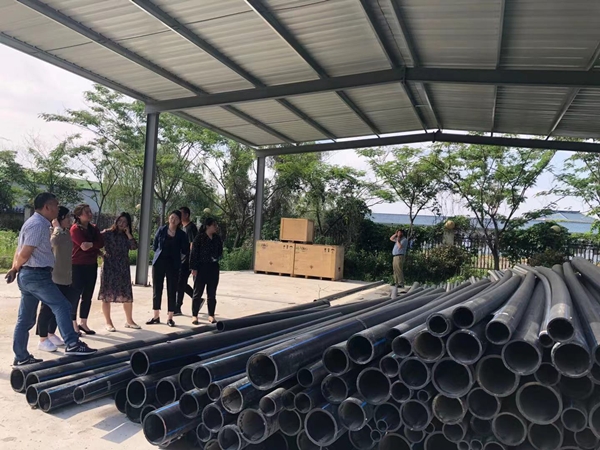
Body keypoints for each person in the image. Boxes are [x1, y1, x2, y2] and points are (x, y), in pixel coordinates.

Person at [5, 193, 97, 365]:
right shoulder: (38, 225)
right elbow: (25, 252)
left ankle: (21, 357)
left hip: (30, 275)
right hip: (36, 275)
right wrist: (15, 268)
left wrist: (15, 268)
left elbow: (19, 251)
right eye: (56, 205)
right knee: (62, 305)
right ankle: (72, 344)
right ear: (47, 207)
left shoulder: (34, 223)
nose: (58, 208)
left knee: (25, 319)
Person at [36, 206, 72, 352]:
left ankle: (51, 333)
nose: (70, 220)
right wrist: (56, 227)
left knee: (59, 308)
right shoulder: (52, 232)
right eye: (67, 217)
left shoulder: (67, 232)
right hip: (53, 276)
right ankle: (42, 338)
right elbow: (53, 243)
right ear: (59, 219)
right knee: (46, 309)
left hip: (65, 275)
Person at [98, 212, 140, 332]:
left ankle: (129, 320)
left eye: (125, 222)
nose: (122, 224)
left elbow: (134, 247)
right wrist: (101, 254)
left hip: (123, 267)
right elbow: (95, 242)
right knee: (106, 295)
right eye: (120, 221)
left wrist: (128, 234)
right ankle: (108, 322)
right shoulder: (107, 233)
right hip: (109, 266)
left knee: (126, 294)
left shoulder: (126, 236)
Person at [147, 210, 188, 327]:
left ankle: (170, 317)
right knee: (157, 289)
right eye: (172, 217)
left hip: (173, 264)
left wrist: (178, 258)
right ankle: (156, 316)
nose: (173, 220)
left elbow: (185, 250)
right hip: (159, 263)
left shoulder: (181, 234)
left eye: (176, 218)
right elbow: (155, 245)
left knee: (172, 289)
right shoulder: (161, 230)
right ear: (168, 218)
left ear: (179, 221)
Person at [70, 204, 104, 335]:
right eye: (87, 212)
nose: (90, 214)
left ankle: (83, 322)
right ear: (79, 215)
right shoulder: (75, 229)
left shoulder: (93, 228)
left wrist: (92, 245)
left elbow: (101, 243)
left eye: (90, 212)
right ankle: (73, 324)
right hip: (77, 265)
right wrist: (93, 245)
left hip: (91, 264)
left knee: (88, 295)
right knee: (75, 295)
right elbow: (83, 246)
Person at [190, 217, 223, 325]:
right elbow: (194, 254)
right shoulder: (199, 238)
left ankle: (211, 315)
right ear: (207, 226)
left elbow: (220, 251)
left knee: (212, 293)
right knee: (197, 293)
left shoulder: (217, 238)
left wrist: (216, 257)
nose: (215, 227)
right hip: (201, 268)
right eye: (214, 225)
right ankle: (195, 315)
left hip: (213, 267)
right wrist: (194, 268)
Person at [175, 206, 198, 316]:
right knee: (180, 282)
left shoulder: (190, 228)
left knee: (180, 282)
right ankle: (196, 298)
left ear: (187, 215)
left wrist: (191, 259)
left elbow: (193, 244)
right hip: (181, 259)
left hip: (188, 259)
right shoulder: (182, 227)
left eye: (181, 214)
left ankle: (177, 307)